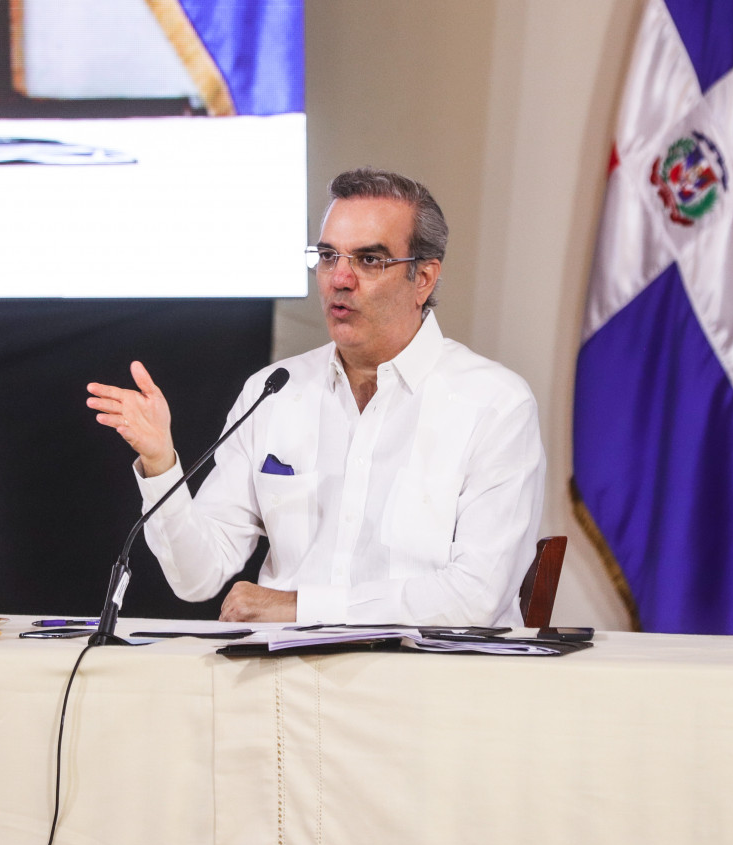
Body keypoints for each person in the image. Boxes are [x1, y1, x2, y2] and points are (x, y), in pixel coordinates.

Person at [87, 168, 545, 626]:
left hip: (425, 668)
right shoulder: (273, 392)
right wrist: (161, 463)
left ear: (423, 278)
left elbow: (475, 598)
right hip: (285, 668)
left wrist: (300, 607)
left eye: (369, 260)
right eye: (328, 256)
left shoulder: (494, 405)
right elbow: (197, 578)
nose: (339, 278)